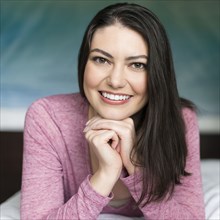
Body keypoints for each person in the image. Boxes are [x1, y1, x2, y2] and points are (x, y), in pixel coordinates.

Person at [21, 2, 205, 220]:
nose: (115, 81)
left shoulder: (181, 120)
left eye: (137, 65)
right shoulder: (48, 118)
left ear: (157, 74)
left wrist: (135, 168)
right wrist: (105, 175)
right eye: (101, 59)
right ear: (84, 63)